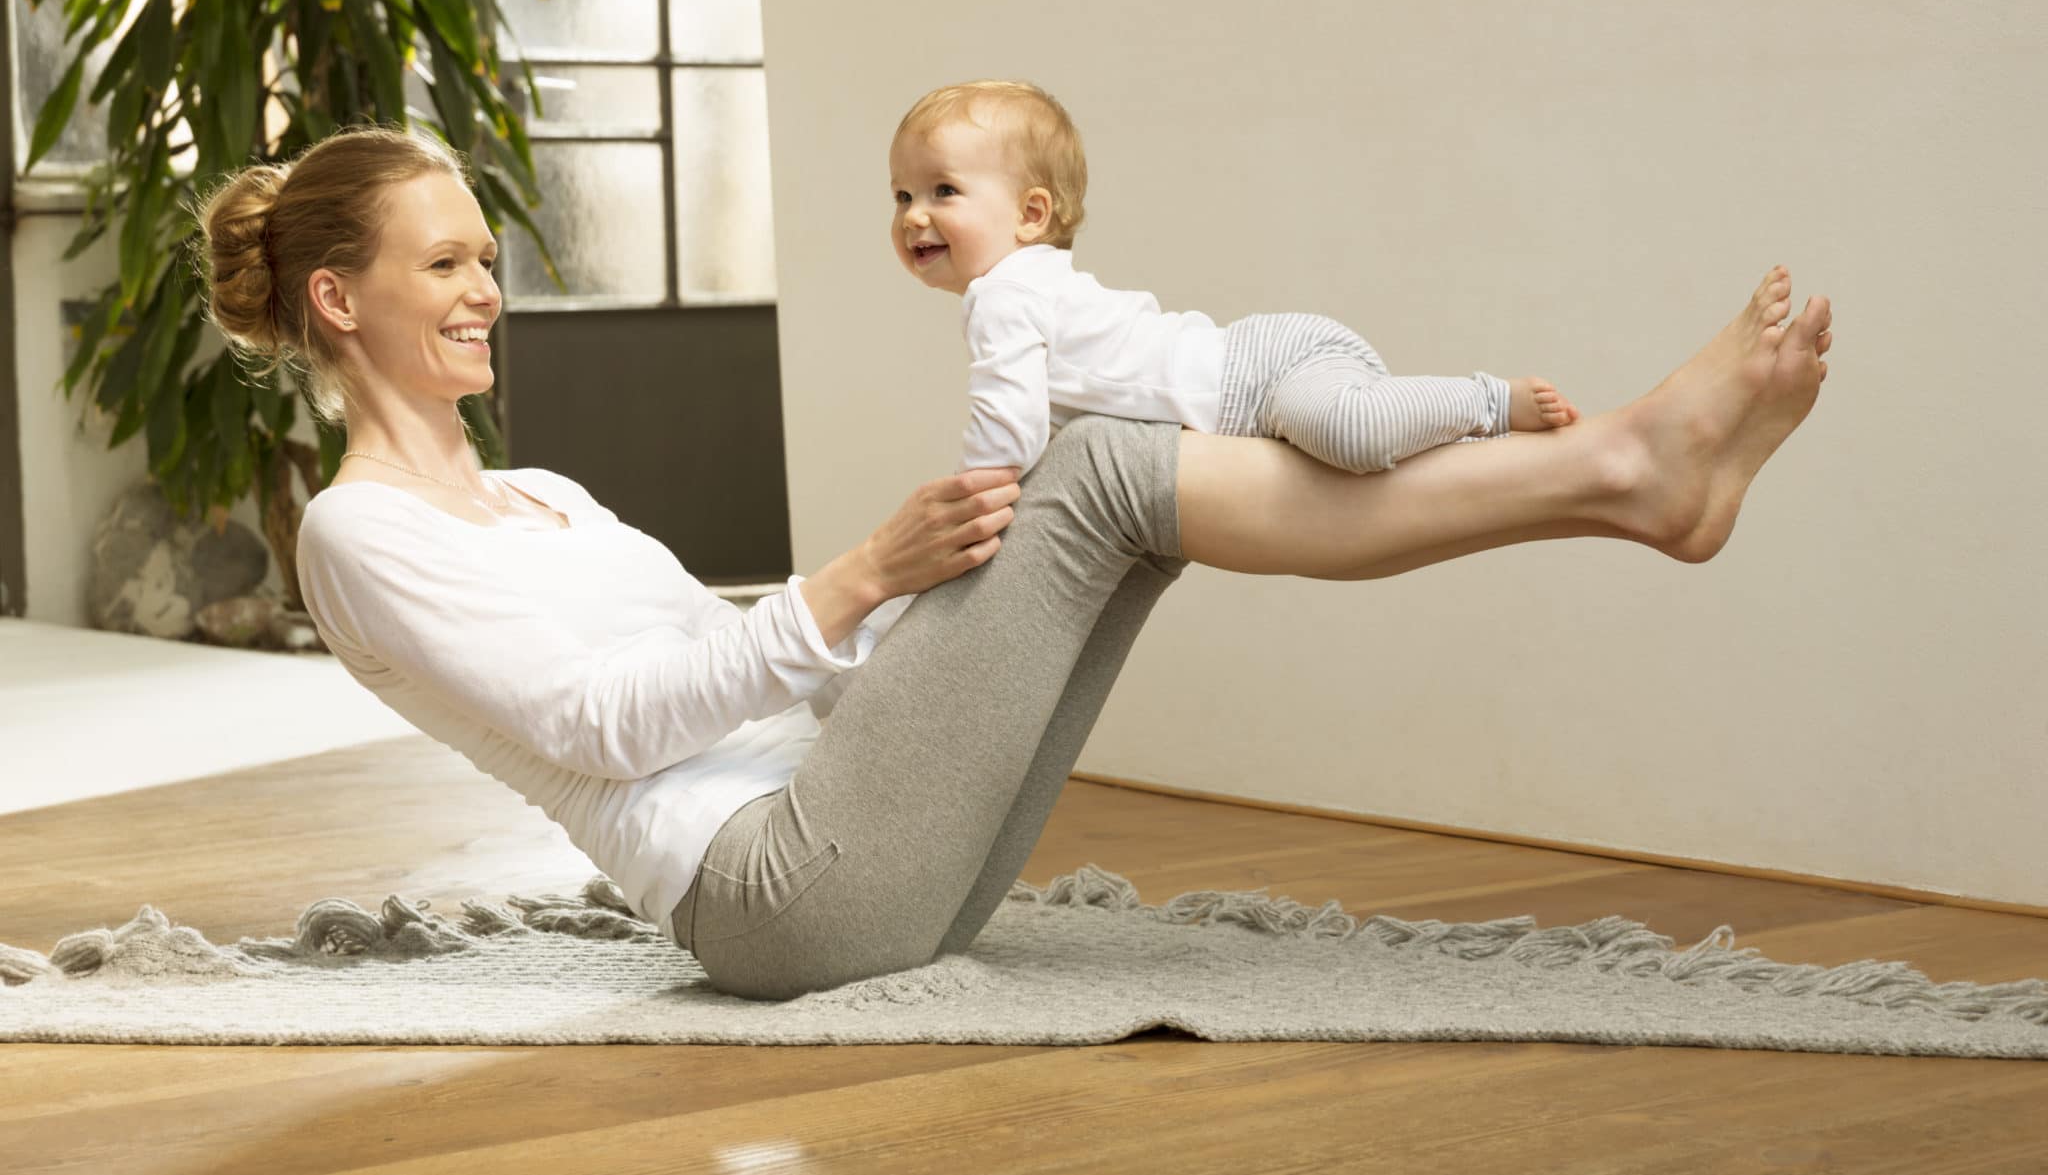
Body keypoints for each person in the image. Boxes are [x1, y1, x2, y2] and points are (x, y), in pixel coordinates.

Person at [196, 122, 1833, 1002]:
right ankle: (1618, 466)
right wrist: (852, 580)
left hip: (866, 840)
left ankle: (1620, 483)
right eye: (446, 262)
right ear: (341, 301)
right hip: (776, 901)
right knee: (1109, 464)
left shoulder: (544, 493)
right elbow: (611, 730)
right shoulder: (358, 536)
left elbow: (740, 662)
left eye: (488, 257)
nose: (487, 287)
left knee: (1116, 492)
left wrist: (887, 593)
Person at [889, 79, 1584, 479]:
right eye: (901, 196)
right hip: (1264, 368)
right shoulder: (1033, 286)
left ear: (1031, 213)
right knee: (1359, 464)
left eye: (943, 191)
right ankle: (1459, 428)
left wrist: (966, 500)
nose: (915, 215)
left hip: (1260, 375)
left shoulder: (1002, 297)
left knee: (1352, 434)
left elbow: (1006, 437)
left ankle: (1490, 401)